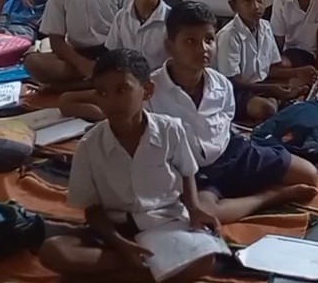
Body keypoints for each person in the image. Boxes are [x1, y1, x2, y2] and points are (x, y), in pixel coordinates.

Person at [61, 2, 318, 220]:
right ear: (170, 46)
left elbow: (225, 125)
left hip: (231, 152)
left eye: (209, 40)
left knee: (309, 176)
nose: (202, 49)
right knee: (206, 212)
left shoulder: (221, 84)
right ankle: (270, 196)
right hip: (192, 172)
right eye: (190, 41)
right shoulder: (148, 89)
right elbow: (103, 103)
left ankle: (242, 187)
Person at [38, 48, 221, 283]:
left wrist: (194, 209)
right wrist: (120, 244)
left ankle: (123, 274)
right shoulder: (89, 146)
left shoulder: (171, 130)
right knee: (54, 251)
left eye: (122, 90)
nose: (112, 101)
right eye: (102, 93)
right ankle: (153, 270)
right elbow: (92, 209)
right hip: (115, 231)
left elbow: (187, 172)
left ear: (147, 90)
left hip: (165, 224)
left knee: (207, 259)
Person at [216, 0, 316, 122]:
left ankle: (279, 99)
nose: (256, 6)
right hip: (235, 90)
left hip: (261, 84)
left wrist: (298, 72)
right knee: (266, 109)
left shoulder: (265, 27)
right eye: (247, 1)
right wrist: (270, 89)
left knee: (302, 82)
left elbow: (270, 68)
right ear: (233, 6)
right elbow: (232, 81)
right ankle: (278, 100)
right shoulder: (229, 35)